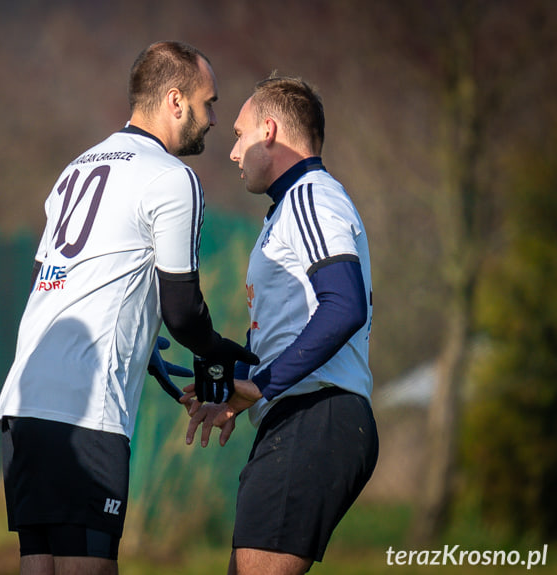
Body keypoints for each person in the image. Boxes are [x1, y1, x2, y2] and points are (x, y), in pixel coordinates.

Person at [0, 41, 258, 575]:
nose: (213, 120)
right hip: (84, 409)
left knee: (38, 567)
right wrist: (232, 359)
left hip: (22, 405)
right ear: (176, 100)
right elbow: (183, 311)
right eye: (209, 104)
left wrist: (141, 347)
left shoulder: (78, 165)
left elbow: (52, 282)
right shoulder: (171, 177)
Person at [183, 74, 379, 575]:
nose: (232, 153)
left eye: (239, 135)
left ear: (269, 130)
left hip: (317, 417)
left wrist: (262, 385)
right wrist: (233, 393)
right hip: (298, 418)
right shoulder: (288, 210)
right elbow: (292, 326)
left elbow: (344, 307)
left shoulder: (313, 197)